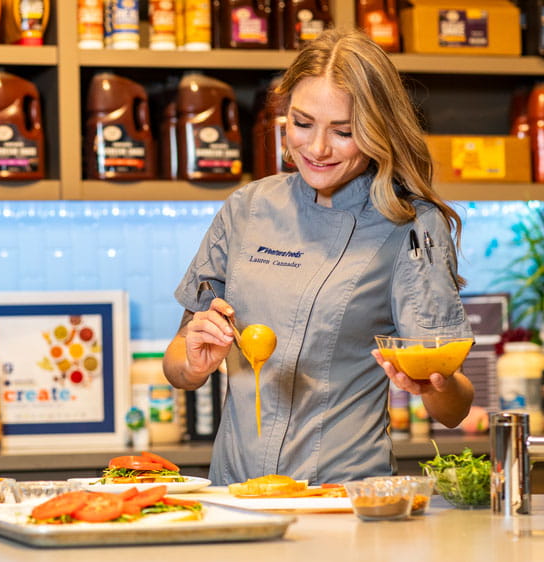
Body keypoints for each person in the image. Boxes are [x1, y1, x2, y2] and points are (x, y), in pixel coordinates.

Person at [162, 29, 474, 485]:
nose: (317, 148)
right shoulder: (247, 209)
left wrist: (433, 386)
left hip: (343, 500)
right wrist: (191, 362)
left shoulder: (411, 226)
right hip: (235, 495)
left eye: (343, 132)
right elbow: (177, 364)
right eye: (302, 123)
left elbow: (455, 408)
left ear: (378, 130)